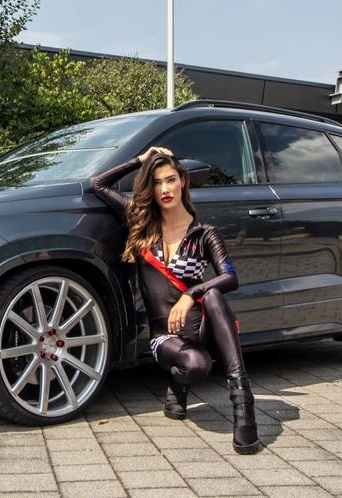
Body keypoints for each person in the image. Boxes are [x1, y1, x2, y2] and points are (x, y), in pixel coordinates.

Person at [90, 146, 261, 454]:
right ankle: (177, 387)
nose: (164, 189)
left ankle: (243, 403)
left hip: (204, 327)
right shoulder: (141, 222)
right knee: (197, 366)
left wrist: (190, 294)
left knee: (213, 294)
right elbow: (98, 184)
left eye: (170, 180)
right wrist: (139, 160)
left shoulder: (205, 233)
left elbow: (230, 277)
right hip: (165, 337)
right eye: (156, 183)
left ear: (183, 181)